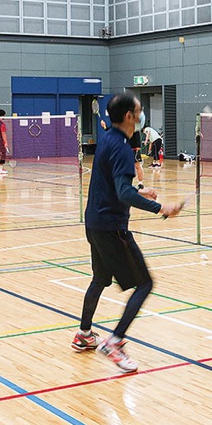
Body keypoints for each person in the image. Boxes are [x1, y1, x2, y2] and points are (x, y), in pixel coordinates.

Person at [72, 92, 183, 372]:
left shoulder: (108, 139)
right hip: (112, 227)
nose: (142, 113)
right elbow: (122, 192)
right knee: (145, 284)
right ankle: (115, 341)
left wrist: (138, 190)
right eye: (139, 109)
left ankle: (84, 335)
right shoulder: (121, 147)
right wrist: (161, 208)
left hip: (94, 222)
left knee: (100, 279)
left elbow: (115, 187)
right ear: (129, 116)